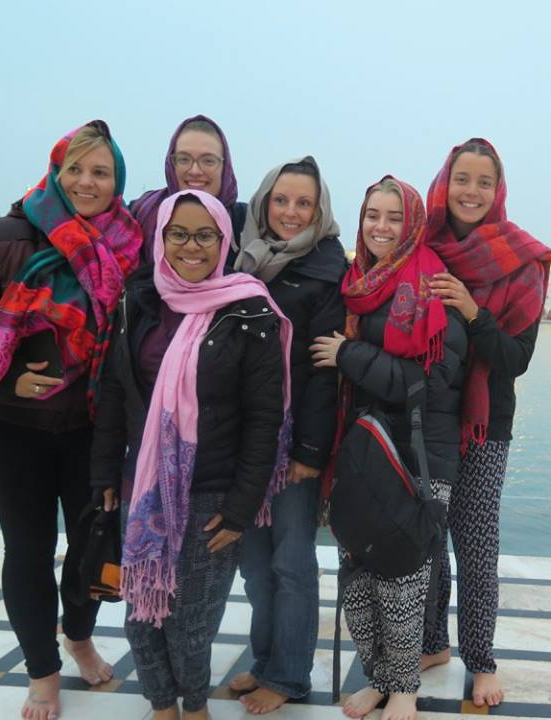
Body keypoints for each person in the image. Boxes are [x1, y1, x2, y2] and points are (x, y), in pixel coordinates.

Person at [90, 190, 292, 720]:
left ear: (225, 240)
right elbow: (116, 391)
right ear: (160, 238)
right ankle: (162, 705)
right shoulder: (140, 300)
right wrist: (104, 470)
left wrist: (245, 504)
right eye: (178, 233)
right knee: (141, 611)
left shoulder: (248, 309)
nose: (191, 246)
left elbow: (264, 417)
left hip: (215, 490)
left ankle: (195, 706)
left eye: (206, 234)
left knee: (192, 618)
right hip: (144, 484)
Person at [0, 120, 142, 720]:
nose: (88, 181)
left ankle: (78, 634)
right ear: (56, 171)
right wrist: (10, 373)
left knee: (92, 541)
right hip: (12, 426)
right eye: (76, 168)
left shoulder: (130, 244)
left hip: (92, 426)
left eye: (101, 171)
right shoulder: (5, 236)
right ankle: (42, 671)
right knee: (28, 546)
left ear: (117, 179)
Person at [311, 176, 467, 720]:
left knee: (403, 573)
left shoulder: (434, 287)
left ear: (413, 224)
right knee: (356, 570)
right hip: (360, 449)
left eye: (393, 217)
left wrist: (350, 355)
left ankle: (404, 687)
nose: (381, 226)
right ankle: (378, 677)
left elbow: (433, 380)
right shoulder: (355, 283)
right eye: (372, 215)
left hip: (421, 453)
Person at [421, 138, 551, 707]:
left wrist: (472, 314)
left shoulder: (522, 260)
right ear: (444, 184)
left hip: (483, 422)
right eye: (462, 179)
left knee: (474, 543)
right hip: (424, 417)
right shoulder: (421, 247)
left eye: (483, 182)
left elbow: (515, 360)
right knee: (424, 539)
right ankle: (430, 643)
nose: (471, 192)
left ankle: (481, 659)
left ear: (498, 191)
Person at [229, 157, 346, 714]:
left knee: (292, 561)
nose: (291, 213)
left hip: (294, 439)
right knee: (253, 562)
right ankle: (263, 660)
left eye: (304, 203)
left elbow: (325, 371)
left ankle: (290, 674)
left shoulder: (326, 269)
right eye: (281, 200)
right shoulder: (241, 257)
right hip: (244, 441)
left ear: (319, 211)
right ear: (263, 202)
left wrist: (309, 452)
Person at [130, 114, 247, 264]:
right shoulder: (141, 213)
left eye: (208, 161)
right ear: (171, 164)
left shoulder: (245, 224)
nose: (195, 171)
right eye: (184, 159)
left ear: (225, 167)